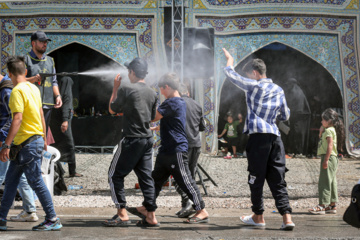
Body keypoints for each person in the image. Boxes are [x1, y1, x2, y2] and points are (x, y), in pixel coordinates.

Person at [222, 48, 295, 230]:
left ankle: (258, 216)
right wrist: (274, 116)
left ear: (254, 73)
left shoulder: (254, 85)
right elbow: (285, 115)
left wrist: (230, 60)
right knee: (278, 177)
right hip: (275, 138)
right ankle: (287, 218)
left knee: (256, 177)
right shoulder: (279, 90)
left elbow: (232, 76)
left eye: (249, 74)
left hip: (258, 138)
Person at [130, 73, 209, 224]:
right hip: (166, 149)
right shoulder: (176, 102)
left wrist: (141, 105)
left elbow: (153, 116)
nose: (161, 92)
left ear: (167, 87)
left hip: (176, 149)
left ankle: (201, 210)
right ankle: (146, 207)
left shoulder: (172, 102)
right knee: (155, 180)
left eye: (161, 89)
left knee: (186, 181)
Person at [0, 56, 62, 231]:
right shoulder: (34, 89)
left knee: (36, 182)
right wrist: (43, 137)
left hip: (25, 145)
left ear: (9, 74)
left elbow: (17, 119)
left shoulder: (16, 92)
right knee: (11, 181)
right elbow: (42, 115)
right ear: (26, 72)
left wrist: (6, 145)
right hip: (29, 143)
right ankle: (1, 217)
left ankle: (53, 218)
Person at [104, 57, 159, 227]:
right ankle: (151, 216)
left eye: (129, 71)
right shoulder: (152, 92)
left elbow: (112, 109)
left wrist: (115, 88)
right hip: (147, 140)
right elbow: (151, 118)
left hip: (131, 139)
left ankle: (122, 213)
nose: (128, 74)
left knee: (114, 175)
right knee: (146, 178)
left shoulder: (126, 88)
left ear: (133, 72)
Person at [0, 74, 39, 222]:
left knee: (2, 175)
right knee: (21, 177)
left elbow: (13, 118)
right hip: (12, 141)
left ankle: (36, 212)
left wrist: (4, 140)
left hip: (7, 141)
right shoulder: (7, 87)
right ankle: (30, 210)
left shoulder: (7, 91)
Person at [174, 83, 206, 218]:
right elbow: (202, 127)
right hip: (196, 144)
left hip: (182, 145)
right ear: (188, 92)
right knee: (190, 177)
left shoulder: (177, 104)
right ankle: (189, 206)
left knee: (178, 177)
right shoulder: (197, 105)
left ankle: (187, 202)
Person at [308, 108, 344, 215]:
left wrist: (326, 160)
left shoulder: (329, 131)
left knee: (324, 181)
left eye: (323, 120)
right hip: (333, 158)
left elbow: (329, 146)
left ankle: (322, 205)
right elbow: (322, 139)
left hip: (328, 157)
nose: (321, 122)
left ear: (329, 121)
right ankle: (332, 205)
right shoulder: (330, 130)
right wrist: (320, 130)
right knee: (331, 181)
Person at [25, 30, 62, 129]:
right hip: (31, 104)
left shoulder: (50, 61)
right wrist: (33, 79)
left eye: (46, 42)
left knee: (43, 132)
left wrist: (58, 96)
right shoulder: (25, 60)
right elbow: (19, 81)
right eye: (41, 41)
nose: (45, 44)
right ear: (33, 43)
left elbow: (54, 81)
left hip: (47, 104)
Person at [50, 76, 82, 178]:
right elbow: (67, 105)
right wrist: (65, 120)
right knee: (69, 145)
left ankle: (56, 170)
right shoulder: (66, 94)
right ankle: (72, 171)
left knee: (56, 146)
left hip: (55, 124)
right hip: (63, 123)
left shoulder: (56, 95)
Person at [282, 77, 311, 157]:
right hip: (297, 117)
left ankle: (299, 152)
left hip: (300, 118)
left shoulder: (296, 92)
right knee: (295, 133)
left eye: (288, 85)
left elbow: (296, 108)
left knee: (298, 134)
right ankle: (296, 151)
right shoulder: (297, 91)